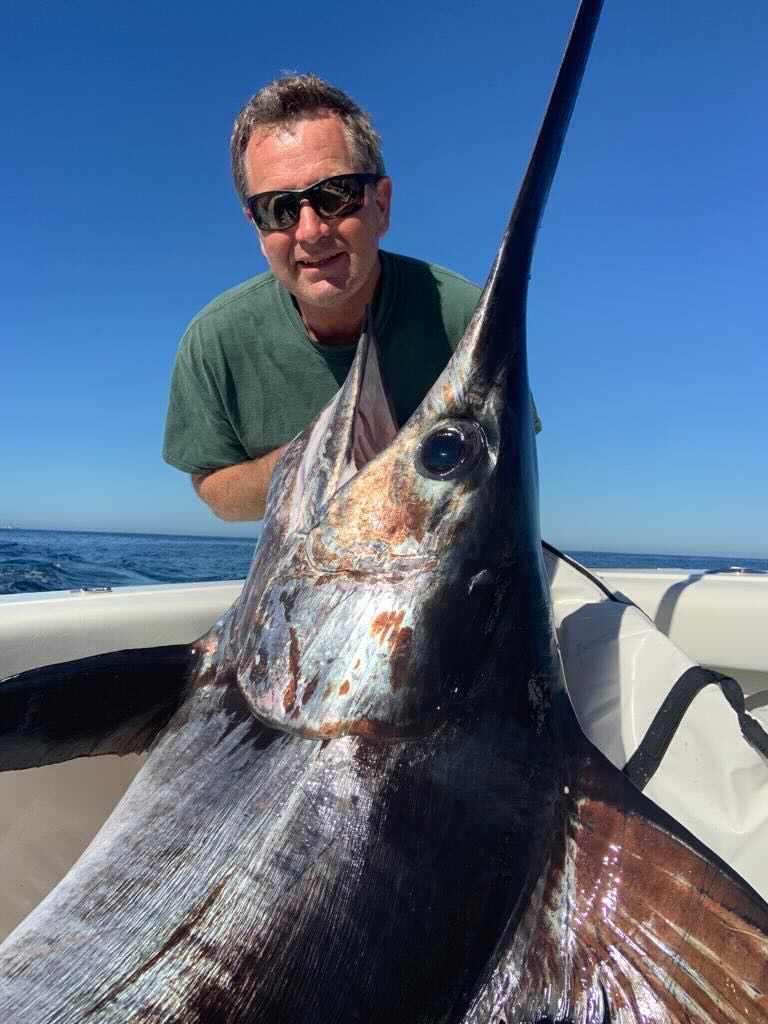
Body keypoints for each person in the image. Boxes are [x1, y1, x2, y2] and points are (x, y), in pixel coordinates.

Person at [163, 75, 528, 521]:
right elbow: (216, 490)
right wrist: (318, 460)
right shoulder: (213, 340)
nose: (311, 231)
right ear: (257, 229)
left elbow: (509, 471)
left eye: (337, 195)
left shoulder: (466, 318)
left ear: (381, 205)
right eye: (278, 208)